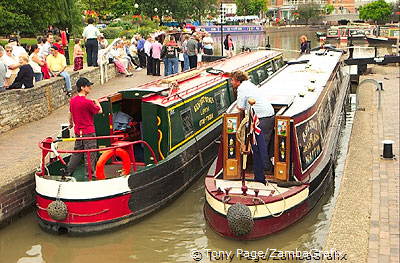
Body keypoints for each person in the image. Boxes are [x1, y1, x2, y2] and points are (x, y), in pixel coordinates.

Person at [230, 71, 275, 183]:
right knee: (263, 144)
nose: (231, 82)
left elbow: (240, 107)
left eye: (232, 80)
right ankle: (264, 168)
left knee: (259, 146)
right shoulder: (249, 84)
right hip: (268, 115)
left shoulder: (241, 88)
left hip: (262, 118)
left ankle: (264, 170)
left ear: (237, 81)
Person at [67, 77, 103, 177]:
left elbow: (70, 114)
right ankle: (90, 174)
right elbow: (99, 111)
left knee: (77, 152)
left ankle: (68, 172)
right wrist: (97, 102)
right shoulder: (88, 102)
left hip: (78, 131)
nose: (90, 87)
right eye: (88, 86)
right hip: (89, 131)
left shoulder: (73, 100)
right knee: (90, 152)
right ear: (83, 87)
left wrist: (70, 124)